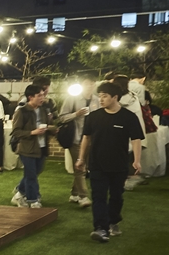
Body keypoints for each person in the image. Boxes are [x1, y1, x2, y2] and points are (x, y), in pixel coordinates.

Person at [76, 82, 144, 243]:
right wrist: (81, 158)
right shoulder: (93, 117)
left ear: (115, 97)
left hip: (119, 165)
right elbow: (86, 138)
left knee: (116, 197)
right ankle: (101, 228)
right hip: (97, 164)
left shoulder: (128, 117)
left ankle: (113, 221)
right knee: (98, 196)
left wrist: (137, 160)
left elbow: (136, 139)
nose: (101, 99)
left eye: (105, 96)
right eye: (100, 96)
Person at [9, 84, 54, 209]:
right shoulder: (22, 111)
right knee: (31, 176)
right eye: (39, 96)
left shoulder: (44, 110)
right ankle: (33, 200)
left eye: (43, 95)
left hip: (42, 147)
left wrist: (51, 128)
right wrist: (32, 132)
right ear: (30, 97)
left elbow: (49, 124)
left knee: (34, 173)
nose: (42, 98)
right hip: (27, 149)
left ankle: (19, 193)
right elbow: (16, 132)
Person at [57, 76, 95, 205]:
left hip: (91, 139)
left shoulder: (97, 100)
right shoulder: (72, 99)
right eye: (87, 84)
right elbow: (62, 118)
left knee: (84, 167)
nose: (89, 86)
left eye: (92, 84)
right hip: (76, 138)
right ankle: (83, 196)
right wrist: (76, 114)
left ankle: (74, 194)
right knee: (80, 168)